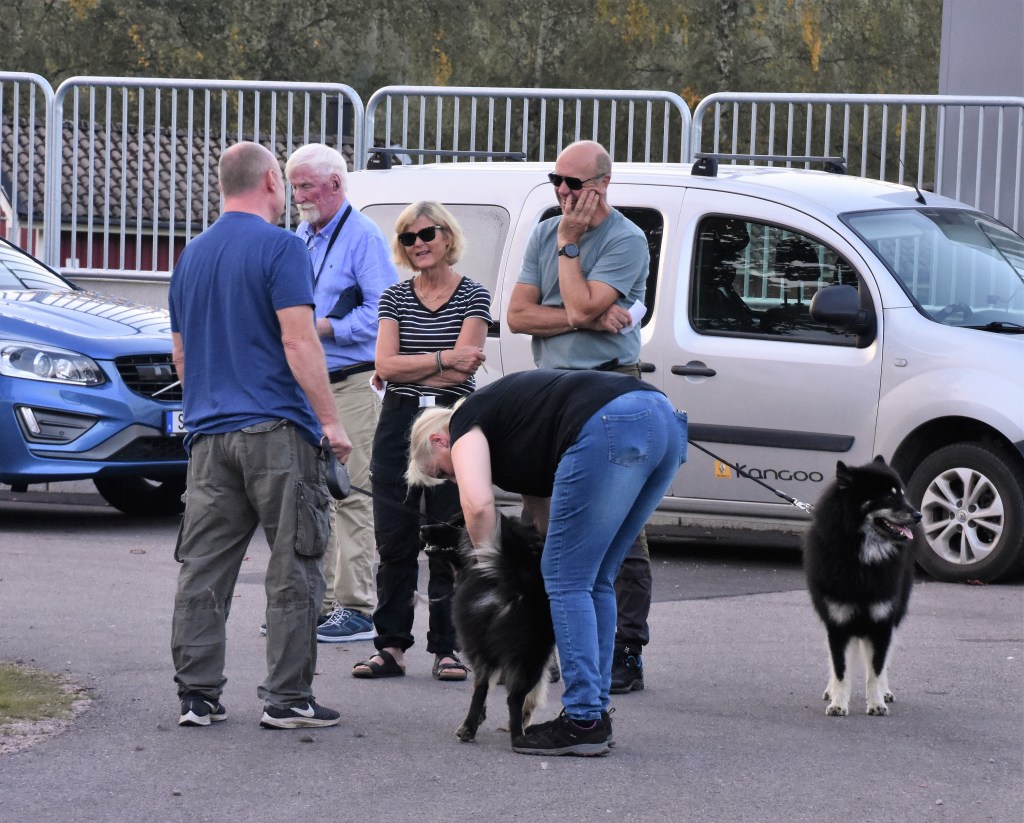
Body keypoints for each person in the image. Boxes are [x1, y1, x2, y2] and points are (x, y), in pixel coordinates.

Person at [406, 369, 687, 756]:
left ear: (439, 441)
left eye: (442, 471)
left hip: (612, 422)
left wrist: (490, 570)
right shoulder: (512, 433)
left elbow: (479, 505)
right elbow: (544, 516)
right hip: (663, 421)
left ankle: (583, 719)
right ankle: (594, 714)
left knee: (568, 580)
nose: (451, 480)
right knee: (596, 577)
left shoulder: (464, 421)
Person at [169, 141, 352, 730]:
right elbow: (298, 340)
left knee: (204, 566)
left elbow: (181, 356)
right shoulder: (282, 248)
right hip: (276, 430)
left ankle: (197, 695)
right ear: (272, 180)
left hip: (208, 436)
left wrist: (208, 406)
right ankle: (287, 698)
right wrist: (330, 421)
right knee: (295, 563)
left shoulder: (192, 255)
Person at [506, 139, 654, 694]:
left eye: (574, 183)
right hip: (552, 387)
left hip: (610, 385)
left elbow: (578, 303)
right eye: (556, 181)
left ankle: (626, 648)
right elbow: (518, 316)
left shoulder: (626, 238)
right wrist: (584, 317)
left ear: (603, 185)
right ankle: (547, 637)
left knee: (620, 521)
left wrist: (570, 249)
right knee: (539, 515)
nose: (563, 192)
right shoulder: (544, 229)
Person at [351, 201, 491, 681]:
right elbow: (385, 366)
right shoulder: (394, 297)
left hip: (452, 419)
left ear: (448, 237)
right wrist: (443, 357)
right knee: (394, 538)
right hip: (398, 420)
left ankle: (448, 649)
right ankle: (390, 647)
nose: (419, 244)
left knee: (448, 537)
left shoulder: (474, 295)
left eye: (428, 234)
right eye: (408, 238)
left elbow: (466, 368)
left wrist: (416, 365)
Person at [284, 143, 398, 643]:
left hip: (350, 381)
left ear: (335, 184)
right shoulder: (302, 237)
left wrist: (323, 327)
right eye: (294, 187)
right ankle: (322, 602)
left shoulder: (363, 236)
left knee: (350, 491)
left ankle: (355, 607)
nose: (298, 197)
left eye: (306, 186)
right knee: (313, 493)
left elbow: (384, 312)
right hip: (307, 383)